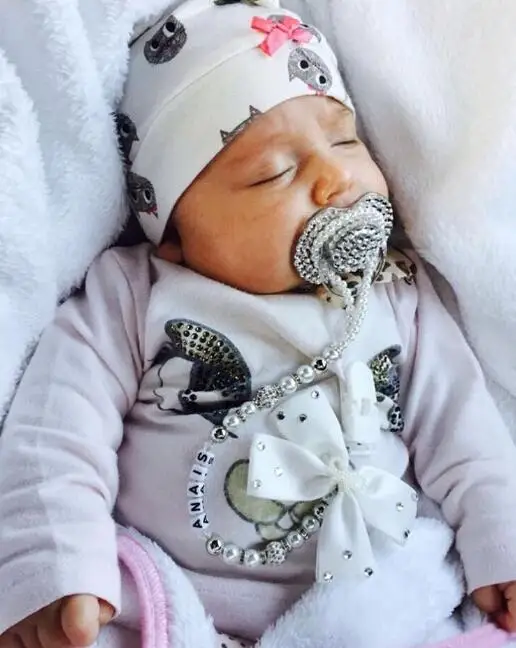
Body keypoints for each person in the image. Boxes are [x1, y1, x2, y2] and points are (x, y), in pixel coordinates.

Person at [1, 1, 516, 647]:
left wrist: (502, 544)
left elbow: (467, 436)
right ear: (174, 237)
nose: (336, 179)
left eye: (346, 141)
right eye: (276, 171)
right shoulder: (133, 295)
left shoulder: (398, 293)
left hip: (380, 606)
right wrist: (56, 568)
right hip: (167, 602)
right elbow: (55, 433)